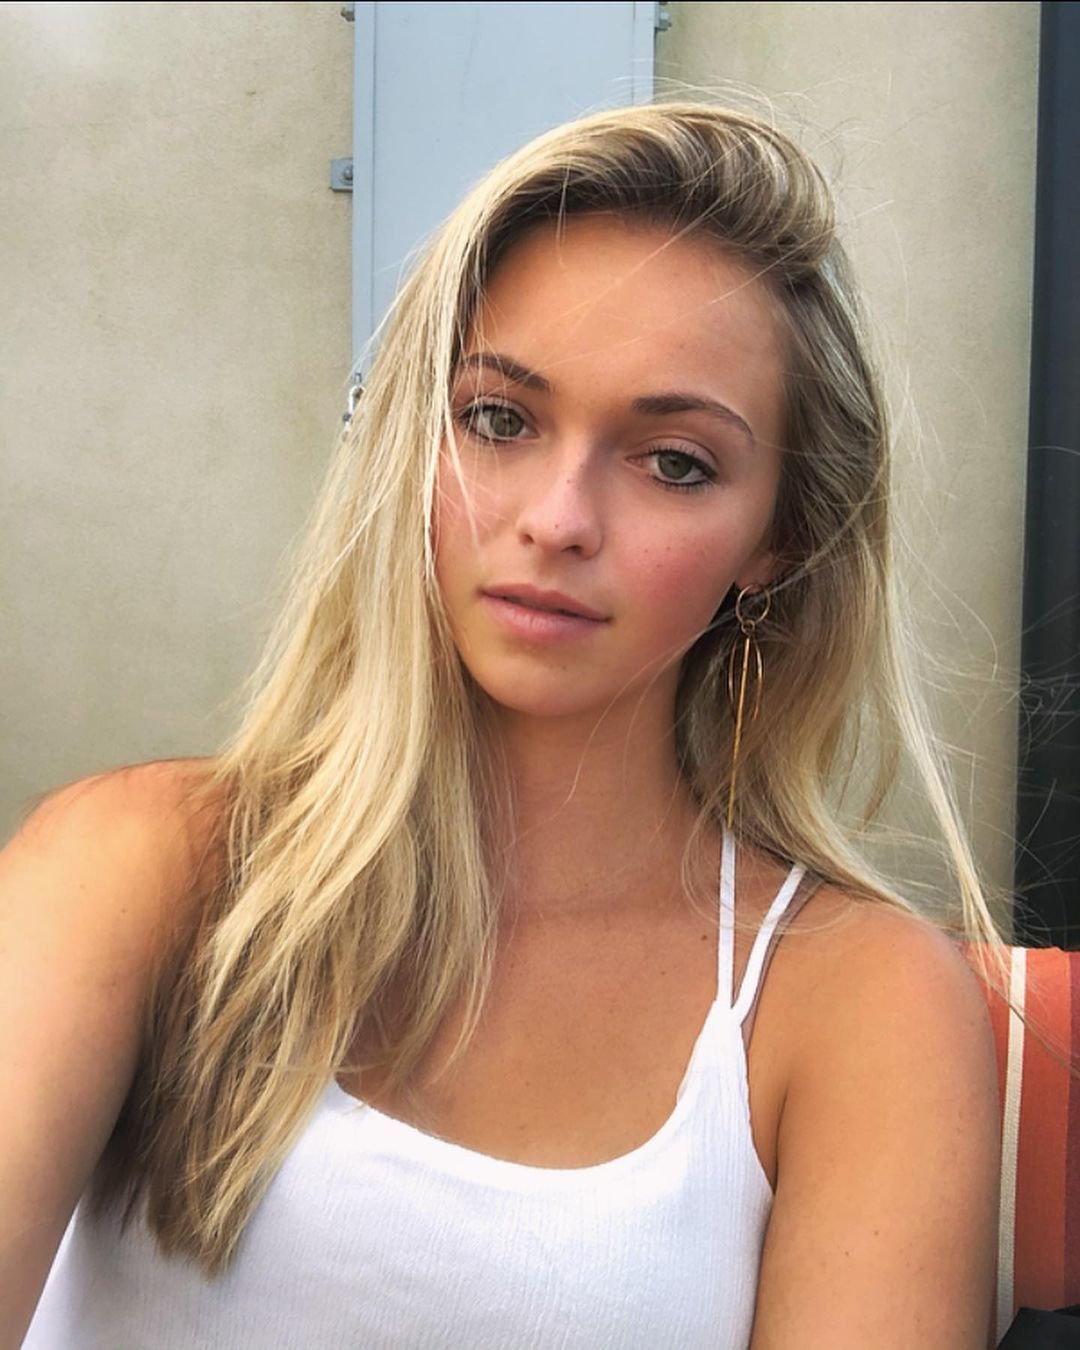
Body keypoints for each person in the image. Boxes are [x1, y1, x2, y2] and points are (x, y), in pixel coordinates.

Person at [5, 101, 1004, 1349]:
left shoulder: (858, 1000)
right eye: (498, 419)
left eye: (675, 462)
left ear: (778, 540)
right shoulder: (140, 867)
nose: (558, 519)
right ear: (413, 444)